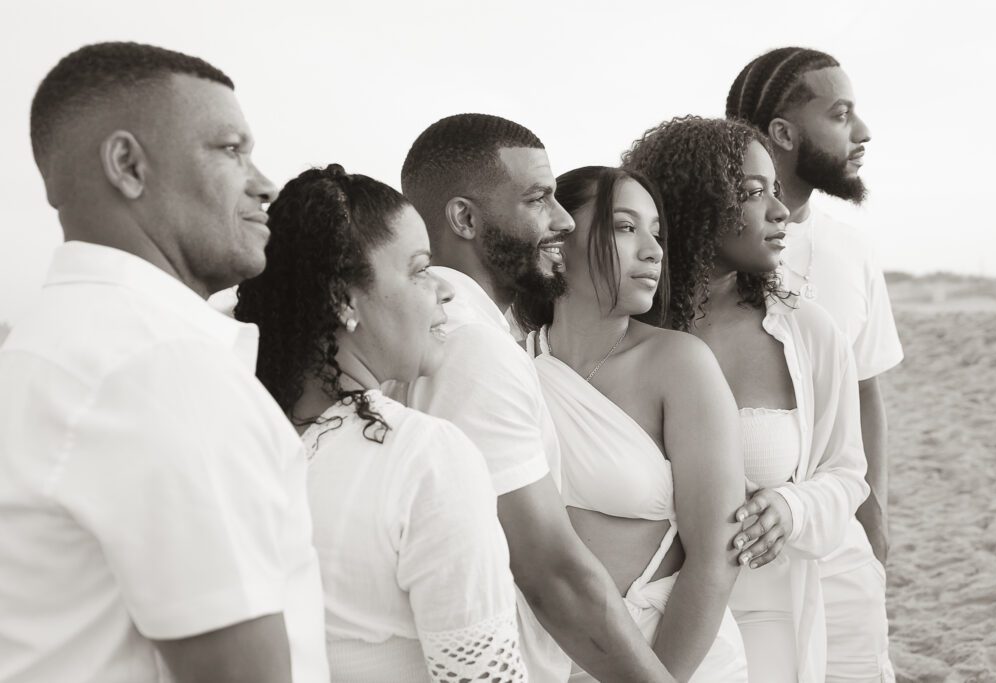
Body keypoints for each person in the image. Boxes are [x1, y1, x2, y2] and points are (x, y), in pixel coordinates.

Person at [0, 42, 328, 682]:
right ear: (128, 165)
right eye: (231, 149)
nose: (265, 183)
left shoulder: (40, 347)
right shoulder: (161, 368)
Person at [400, 113, 677, 683]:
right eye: (538, 199)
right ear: (465, 218)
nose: (562, 222)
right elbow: (550, 570)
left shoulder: (430, 324)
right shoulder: (474, 348)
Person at [234, 165, 526, 682]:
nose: (444, 290)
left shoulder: (235, 441)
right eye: (418, 269)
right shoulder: (424, 458)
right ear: (345, 299)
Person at [623, 116, 870, 682]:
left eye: (775, 191)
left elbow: (847, 472)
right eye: (753, 193)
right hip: (630, 620)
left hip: (763, 616)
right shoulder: (620, 327)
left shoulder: (806, 332)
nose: (780, 211)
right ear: (692, 204)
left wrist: (790, 508)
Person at [513, 165, 749, 682]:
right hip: (545, 662)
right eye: (625, 227)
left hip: (671, 659)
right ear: (557, 240)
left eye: (656, 232)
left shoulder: (680, 363)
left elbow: (717, 553)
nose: (653, 250)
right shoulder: (514, 367)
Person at [727, 47, 901, 681]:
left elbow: (866, 388)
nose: (863, 133)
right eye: (841, 114)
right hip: (739, 551)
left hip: (841, 543)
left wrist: (874, 509)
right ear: (783, 132)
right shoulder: (697, 256)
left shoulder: (851, 250)